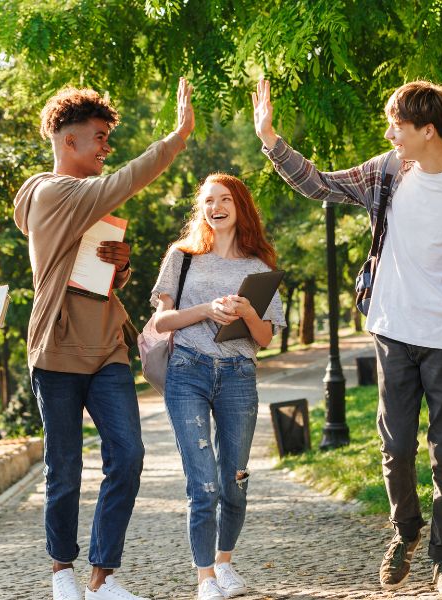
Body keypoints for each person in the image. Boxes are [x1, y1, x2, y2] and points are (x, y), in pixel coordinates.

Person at [251, 79, 442, 596]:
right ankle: (405, 533)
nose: (389, 134)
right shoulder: (387, 171)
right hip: (393, 331)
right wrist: (271, 140)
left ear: (428, 130)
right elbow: (322, 185)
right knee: (396, 448)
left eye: (396, 127)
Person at [12, 78, 195, 600]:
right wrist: (176, 137)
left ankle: (103, 577)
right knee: (64, 467)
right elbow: (125, 180)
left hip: (108, 347)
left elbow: (90, 268)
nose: (105, 147)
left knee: (129, 455)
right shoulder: (53, 193)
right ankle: (61, 574)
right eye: (98, 137)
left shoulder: (83, 202)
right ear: (68, 143)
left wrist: (123, 264)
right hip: (58, 350)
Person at [150, 173, 286, 600]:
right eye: (208, 200)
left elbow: (264, 338)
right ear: (201, 208)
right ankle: (204, 578)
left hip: (238, 376)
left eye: (225, 199)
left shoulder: (259, 267)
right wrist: (207, 309)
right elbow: (161, 322)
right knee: (203, 482)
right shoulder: (182, 256)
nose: (216, 207)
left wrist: (246, 311)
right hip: (187, 370)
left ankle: (225, 563)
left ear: (240, 206)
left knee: (234, 480)